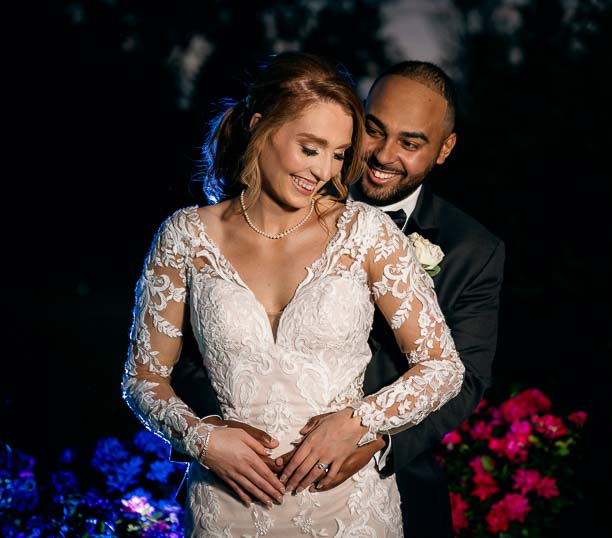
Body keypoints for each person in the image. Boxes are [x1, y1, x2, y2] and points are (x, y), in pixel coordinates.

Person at [121, 51, 465, 537]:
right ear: (261, 128)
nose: (324, 170)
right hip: (227, 503)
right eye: (311, 148)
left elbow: (443, 367)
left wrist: (358, 423)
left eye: (340, 153)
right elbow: (142, 379)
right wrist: (203, 438)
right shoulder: (184, 236)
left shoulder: (365, 232)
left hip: (347, 505)